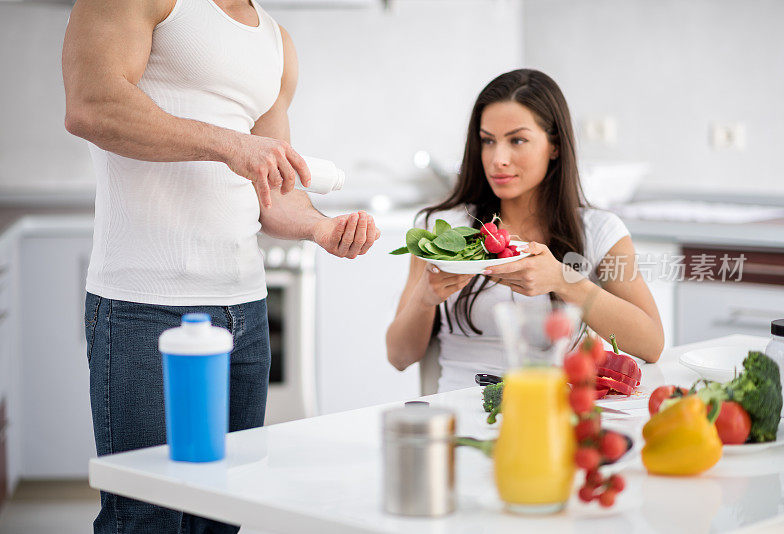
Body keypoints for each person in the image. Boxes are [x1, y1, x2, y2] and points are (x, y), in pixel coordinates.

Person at [62, 0, 379, 532]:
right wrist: (229, 144)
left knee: (224, 510)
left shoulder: (277, 43)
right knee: (145, 516)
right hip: (144, 308)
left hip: (243, 312)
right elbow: (91, 105)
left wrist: (321, 227)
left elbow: (271, 189)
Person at [386, 69, 663, 392]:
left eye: (517, 140)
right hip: (463, 410)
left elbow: (652, 343)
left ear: (554, 146)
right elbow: (399, 357)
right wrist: (425, 297)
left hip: (556, 409)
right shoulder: (442, 230)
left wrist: (563, 280)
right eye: (488, 141)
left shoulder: (599, 230)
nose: (497, 159)